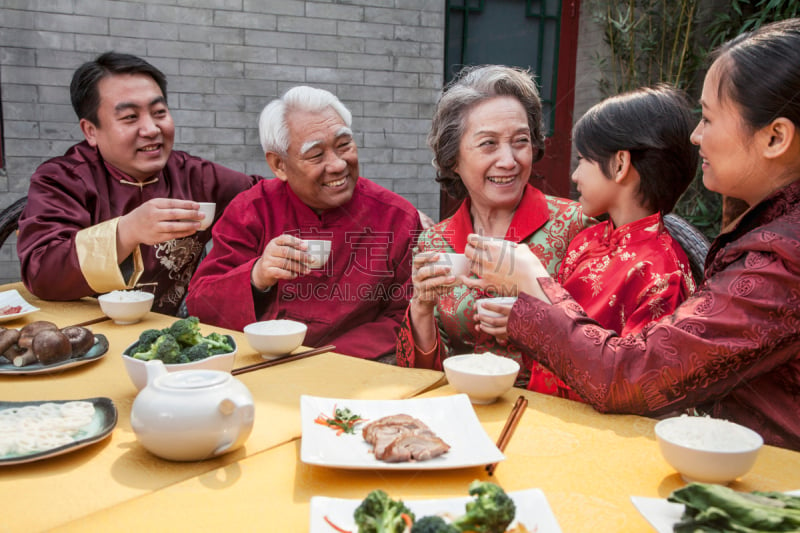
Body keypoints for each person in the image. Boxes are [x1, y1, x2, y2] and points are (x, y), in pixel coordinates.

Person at [464, 19, 800, 450]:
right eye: (486, 144)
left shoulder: (774, 257)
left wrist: (535, 285)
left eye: (710, 119)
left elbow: (634, 375)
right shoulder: (587, 238)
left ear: (775, 137)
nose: (697, 136)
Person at [186, 86, 422, 361]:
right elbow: (199, 303)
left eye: (344, 145)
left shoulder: (396, 216)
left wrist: (325, 357)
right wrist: (257, 275)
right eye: (316, 155)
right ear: (279, 165)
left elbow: (408, 313)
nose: (337, 165)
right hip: (261, 363)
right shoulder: (251, 209)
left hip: (353, 366)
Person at [395, 65, 593, 391]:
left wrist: (534, 326)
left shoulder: (577, 226)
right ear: (453, 159)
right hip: (462, 408)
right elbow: (421, 378)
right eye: (488, 144)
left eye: (520, 141)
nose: (508, 160)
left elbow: (604, 352)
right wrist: (421, 307)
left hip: (549, 415)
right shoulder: (434, 242)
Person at [17, 52, 259, 315]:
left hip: (166, 338)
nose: (151, 129)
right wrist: (126, 232)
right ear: (91, 131)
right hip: (85, 339)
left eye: (159, 112)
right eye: (130, 117)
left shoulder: (195, 175)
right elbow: (42, 272)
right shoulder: (62, 180)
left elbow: (266, 198)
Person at [542, 85, 699, 336]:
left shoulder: (663, 272)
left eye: (582, 159)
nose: (574, 176)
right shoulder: (586, 240)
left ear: (620, 164)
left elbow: (635, 368)